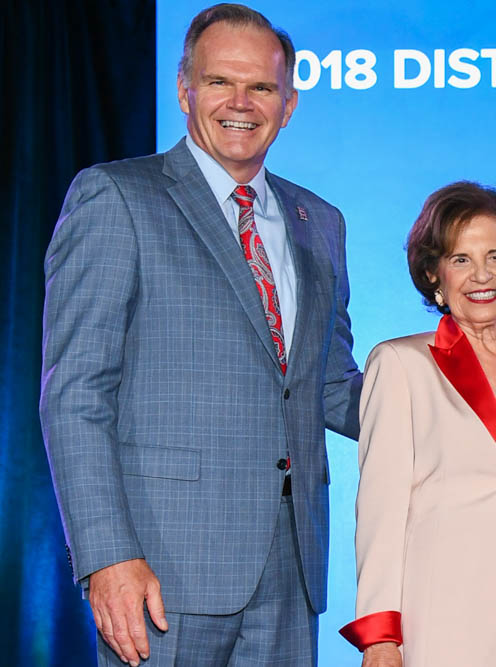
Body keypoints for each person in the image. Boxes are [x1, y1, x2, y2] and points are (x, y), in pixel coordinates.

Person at [40, 4, 363, 664]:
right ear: (184, 88)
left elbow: (331, 386)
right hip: (161, 573)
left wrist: (454, 386)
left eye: (262, 87)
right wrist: (107, 555)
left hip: (290, 569)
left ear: (290, 102)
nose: (240, 103)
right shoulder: (117, 198)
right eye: (220, 82)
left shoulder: (320, 221)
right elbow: (74, 396)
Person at [340, 182, 496, 666]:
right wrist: (380, 636)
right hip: (443, 618)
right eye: (460, 259)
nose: (481, 276)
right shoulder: (399, 364)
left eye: (495, 256)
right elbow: (380, 513)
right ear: (435, 275)